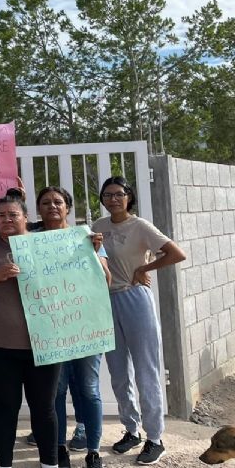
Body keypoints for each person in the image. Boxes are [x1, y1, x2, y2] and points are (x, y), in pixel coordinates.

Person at [0, 193, 62, 468]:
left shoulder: (45, 243)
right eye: (1, 215)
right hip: (0, 344)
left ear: (26, 218)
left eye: (13, 215)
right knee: (6, 407)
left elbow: (75, 272)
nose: (6, 220)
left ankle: (49, 464)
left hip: (45, 342)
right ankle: (4, 464)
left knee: (44, 408)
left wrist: (91, 247)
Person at [92, 176, 186, 465]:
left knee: (146, 369)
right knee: (118, 371)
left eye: (119, 194)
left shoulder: (140, 226)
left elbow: (176, 253)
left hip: (135, 298)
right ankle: (131, 429)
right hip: (107, 300)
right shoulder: (98, 226)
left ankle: (155, 438)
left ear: (128, 197)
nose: (113, 199)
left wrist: (145, 266)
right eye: (107, 195)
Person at [33, 187, 112, 468]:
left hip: (86, 326)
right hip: (51, 329)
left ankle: (93, 450)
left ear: (68, 207)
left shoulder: (86, 238)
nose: (52, 206)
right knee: (56, 391)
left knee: (90, 389)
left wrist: (93, 252)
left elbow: (107, 280)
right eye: (46, 202)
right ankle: (60, 448)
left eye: (58, 202)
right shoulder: (31, 241)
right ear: (38, 209)